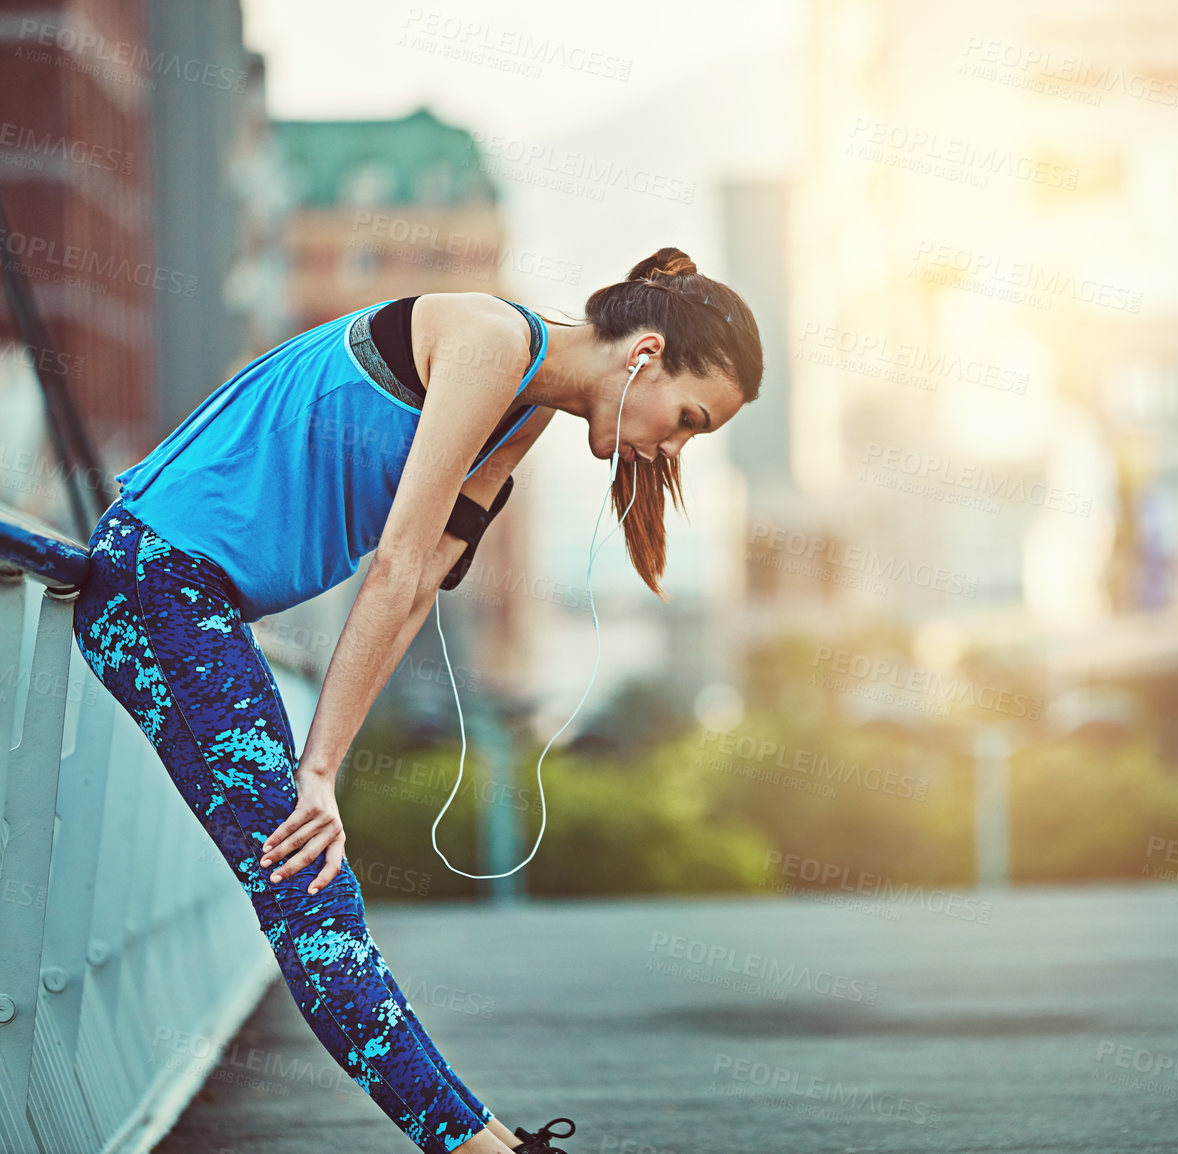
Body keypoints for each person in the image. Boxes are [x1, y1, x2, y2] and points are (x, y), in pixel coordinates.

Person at [70, 248, 763, 1154]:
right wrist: (313, 768)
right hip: (157, 587)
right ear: (642, 355)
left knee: (311, 887)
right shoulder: (485, 340)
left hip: (203, 605)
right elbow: (394, 563)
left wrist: (328, 765)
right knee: (311, 901)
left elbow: (427, 577)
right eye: (688, 420)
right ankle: (483, 1149)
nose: (671, 448)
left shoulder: (524, 410)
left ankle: (482, 1146)